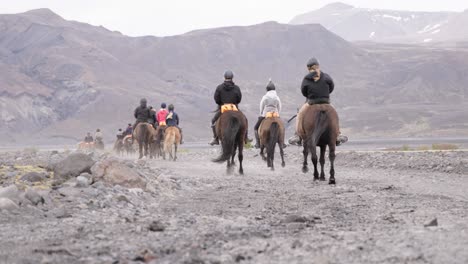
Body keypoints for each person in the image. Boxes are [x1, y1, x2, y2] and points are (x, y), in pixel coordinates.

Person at [288, 58, 348, 146]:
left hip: (311, 102)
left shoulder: (307, 78)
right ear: (318, 66)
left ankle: (297, 136)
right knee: (335, 114)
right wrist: (325, 95)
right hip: (326, 102)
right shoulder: (326, 76)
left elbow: (303, 91)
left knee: (300, 114)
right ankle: (338, 134)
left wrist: (309, 96)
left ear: (308, 68)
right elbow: (331, 87)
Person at [209, 70, 243, 146]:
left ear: (224, 77)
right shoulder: (236, 88)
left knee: (213, 121)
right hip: (234, 108)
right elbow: (239, 99)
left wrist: (221, 103)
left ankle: (215, 138)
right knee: (244, 120)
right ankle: (245, 137)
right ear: (232, 77)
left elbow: (216, 99)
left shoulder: (219, 87)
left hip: (223, 108)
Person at [254, 79, 282, 149]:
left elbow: (262, 106)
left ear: (267, 89)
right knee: (281, 128)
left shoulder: (265, 97)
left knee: (255, 128)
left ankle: (257, 143)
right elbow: (279, 106)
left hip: (266, 114)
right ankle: (282, 142)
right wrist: (278, 114)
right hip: (275, 113)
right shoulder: (277, 97)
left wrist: (261, 114)